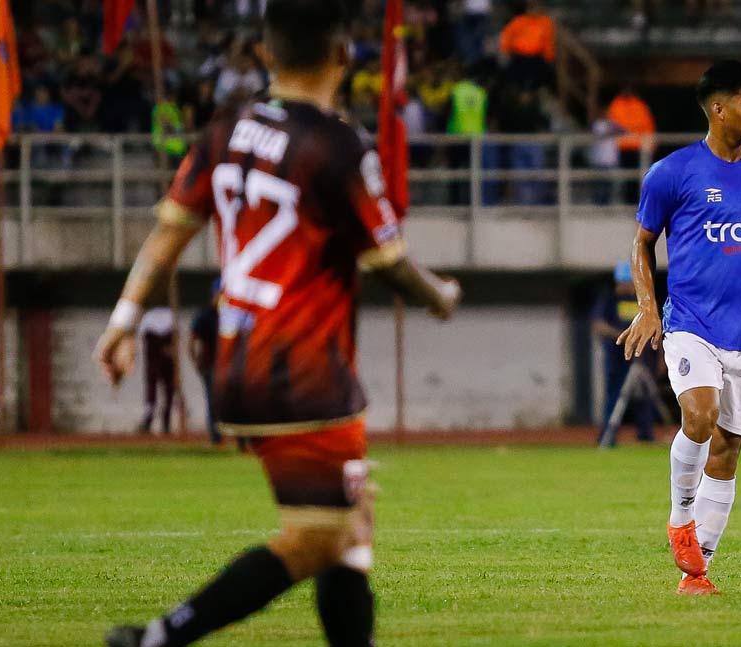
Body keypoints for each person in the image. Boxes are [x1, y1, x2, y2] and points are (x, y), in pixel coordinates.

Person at [92, 2, 462, 646]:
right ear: (344, 57)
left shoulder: (224, 130)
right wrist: (441, 295)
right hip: (304, 369)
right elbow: (390, 262)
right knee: (324, 536)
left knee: (351, 525)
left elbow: (168, 234)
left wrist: (123, 320)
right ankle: (160, 637)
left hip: (235, 358)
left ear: (265, 56)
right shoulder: (338, 145)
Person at [615, 60, 741, 595]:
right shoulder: (672, 173)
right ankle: (680, 517)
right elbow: (641, 242)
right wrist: (649, 306)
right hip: (691, 325)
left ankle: (697, 571)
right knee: (699, 417)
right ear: (719, 108)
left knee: (728, 450)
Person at [593, 261, 656, 445]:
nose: (627, 286)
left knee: (645, 397)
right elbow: (598, 324)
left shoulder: (642, 301)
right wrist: (623, 336)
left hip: (641, 357)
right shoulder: (609, 300)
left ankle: (646, 435)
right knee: (615, 396)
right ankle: (608, 436)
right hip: (617, 358)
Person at [188, 283, 219, 445]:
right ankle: (216, 439)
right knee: (213, 402)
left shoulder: (232, 313)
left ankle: (242, 440)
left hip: (230, 365)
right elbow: (192, 340)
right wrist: (196, 362)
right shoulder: (205, 316)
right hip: (210, 364)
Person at [137, 306, 176, 436]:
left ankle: (165, 422)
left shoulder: (168, 316)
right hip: (155, 364)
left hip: (164, 365)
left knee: (167, 392)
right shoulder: (150, 318)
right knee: (152, 392)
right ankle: (150, 419)